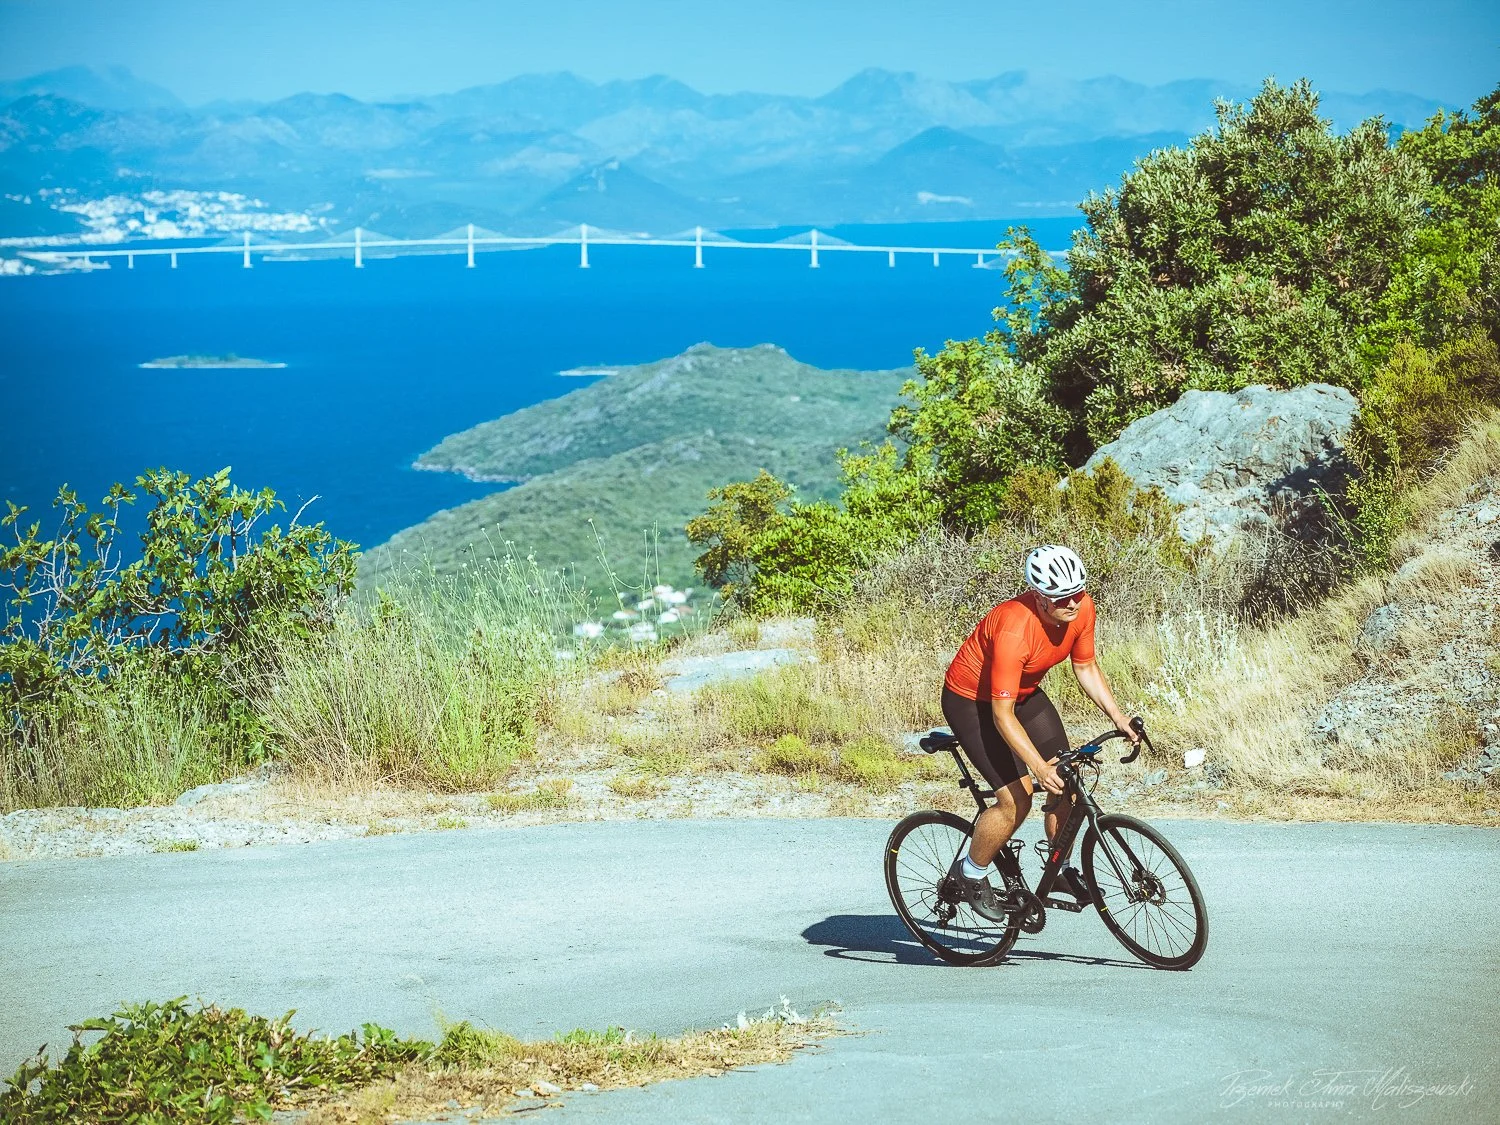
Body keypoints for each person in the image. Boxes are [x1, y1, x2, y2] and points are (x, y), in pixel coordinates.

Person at [940, 544, 1138, 921]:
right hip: (973, 702)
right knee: (1018, 798)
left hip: (1025, 694)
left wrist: (1119, 717)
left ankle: (1058, 870)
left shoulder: (1082, 608)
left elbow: (1086, 667)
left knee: (1067, 778)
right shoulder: (1015, 628)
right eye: (1063, 597)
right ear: (1039, 597)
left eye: (1079, 592)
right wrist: (1036, 767)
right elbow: (1001, 715)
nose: (1074, 603)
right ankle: (971, 873)